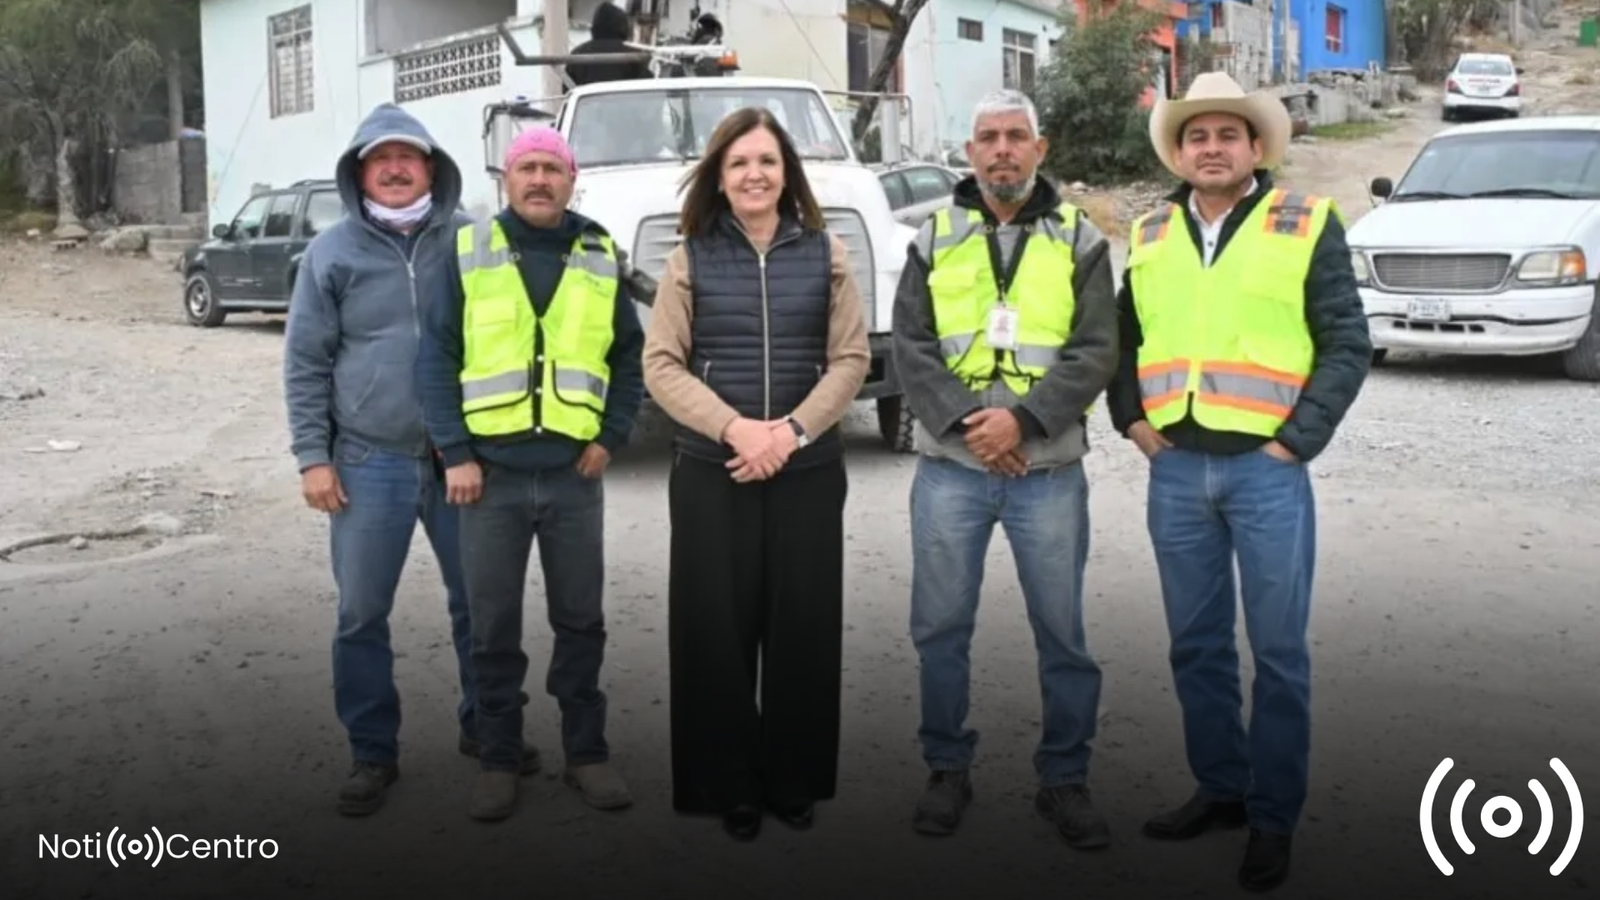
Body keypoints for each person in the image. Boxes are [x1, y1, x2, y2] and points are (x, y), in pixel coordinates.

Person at [1106, 72, 1372, 892]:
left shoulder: (1307, 223)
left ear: (1257, 147)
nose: (1212, 148)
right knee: (1197, 644)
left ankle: (1272, 817)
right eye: (1198, 137)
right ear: (1180, 153)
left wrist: (1296, 442)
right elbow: (1122, 337)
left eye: (1228, 135)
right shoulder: (1150, 233)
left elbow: (1347, 341)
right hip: (1176, 468)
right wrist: (1132, 421)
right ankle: (1221, 788)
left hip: (1267, 472)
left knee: (1279, 652)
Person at [283, 102, 536, 817]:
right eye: (380, 159)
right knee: (361, 613)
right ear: (360, 172)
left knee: (480, 606)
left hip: (463, 461)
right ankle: (372, 752)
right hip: (370, 461)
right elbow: (305, 362)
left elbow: (509, 340)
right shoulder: (331, 253)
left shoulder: (475, 241)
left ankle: (486, 727)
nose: (395, 169)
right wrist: (313, 457)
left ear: (432, 168)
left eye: (408, 157)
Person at [889, 89, 1119, 849]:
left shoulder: (1081, 239)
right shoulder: (933, 236)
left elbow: (1096, 349)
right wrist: (968, 424)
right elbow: (911, 345)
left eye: (1016, 136)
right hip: (951, 470)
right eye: (988, 137)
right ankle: (945, 768)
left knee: (1062, 633)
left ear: (1040, 149)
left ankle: (1065, 779)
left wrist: (1020, 421)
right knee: (940, 627)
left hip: (1046, 470)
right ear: (969, 153)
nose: (1002, 150)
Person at [641, 106, 870, 842]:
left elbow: (851, 358)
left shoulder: (827, 252)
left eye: (767, 161)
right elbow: (661, 364)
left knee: (803, 628)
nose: (754, 174)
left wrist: (792, 432)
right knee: (715, 630)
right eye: (738, 162)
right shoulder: (690, 257)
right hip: (714, 471)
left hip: (807, 470)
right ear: (719, 176)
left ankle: (793, 780)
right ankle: (728, 784)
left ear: (787, 173)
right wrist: (736, 429)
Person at [417, 126, 645, 822]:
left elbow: (628, 357)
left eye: (552, 167)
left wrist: (610, 436)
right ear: (506, 180)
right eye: (527, 167)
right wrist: (454, 452)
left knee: (581, 621)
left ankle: (586, 753)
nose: (540, 179)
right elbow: (436, 358)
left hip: (575, 477)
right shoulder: (468, 251)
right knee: (492, 627)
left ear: (572, 180)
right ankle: (498, 758)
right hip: (490, 479)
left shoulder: (599, 253)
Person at [565, 2, 652, 89]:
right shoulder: (634, 55)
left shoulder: (577, 55)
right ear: (623, 26)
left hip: (588, 97)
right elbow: (647, 86)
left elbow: (566, 90)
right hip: (623, 97)